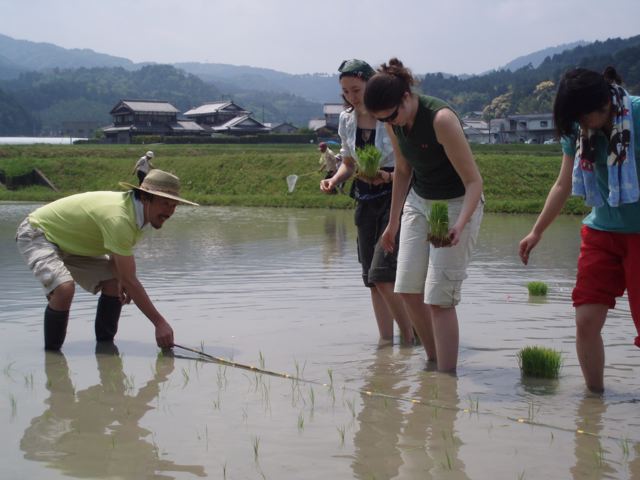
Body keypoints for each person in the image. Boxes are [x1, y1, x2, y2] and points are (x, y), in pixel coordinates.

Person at [519, 67, 640, 393]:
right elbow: (563, 184)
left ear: (605, 106)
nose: (581, 127)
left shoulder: (637, 114)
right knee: (585, 322)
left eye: (585, 119)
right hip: (602, 233)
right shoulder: (579, 128)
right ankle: (594, 404)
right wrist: (537, 231)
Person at [363, 58, 484, 372]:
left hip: (454, 203)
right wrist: (391, 224)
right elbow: (403, 171)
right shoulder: (393, 122)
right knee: (407, 290)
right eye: (383, 120)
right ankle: (433, 366)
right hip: (420, 200)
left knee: (439, 299)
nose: (391, 123)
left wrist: (459, 224)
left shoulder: (441, 119)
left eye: (391, 115)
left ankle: (447, 379)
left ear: (405, 97)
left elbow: (474, 182)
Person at [15, 169, 198, 350]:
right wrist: (159, 323)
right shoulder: (120, 217)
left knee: (113, 282)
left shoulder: (139, 215)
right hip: (39, 233)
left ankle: (105, 350)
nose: (169, 211)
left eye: (174, 205)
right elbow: (130, 280)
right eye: (165, 203)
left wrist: (121, 279)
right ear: (144, 197)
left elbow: (117, 258)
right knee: (64, 289)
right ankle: (53, 361)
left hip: (74, 243)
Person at [320, 59, 414, 345]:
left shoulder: (388, 117)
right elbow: (348, 162)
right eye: (346, 92)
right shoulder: (347, 120)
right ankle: (386, 343)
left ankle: (410, 339)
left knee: (383, 274)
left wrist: (386, 177)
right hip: (364, 198)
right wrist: (335, 180)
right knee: (372, 281)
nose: (352, 97)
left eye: (357, 89)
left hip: (393, 197)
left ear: (371, 85)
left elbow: (406, 166)